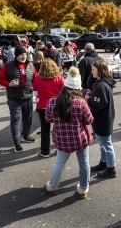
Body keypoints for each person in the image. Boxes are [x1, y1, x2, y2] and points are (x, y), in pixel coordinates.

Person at [43, 67, 93, 199]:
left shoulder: (52, 102)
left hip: (62, 139)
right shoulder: (80, 102)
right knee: (84, 163)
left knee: (59, 164)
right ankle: (83, 189)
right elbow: (89, 120)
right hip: (80, 139)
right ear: (78, 88)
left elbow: (48, 119)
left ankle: (52, 186)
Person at [0, 46, 38, 153]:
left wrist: (35, 87)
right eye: (21, 55)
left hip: (28, 97)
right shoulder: (7, 66)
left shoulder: (30, 65)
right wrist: (8, 83)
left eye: (25, 54)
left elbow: (36, 79)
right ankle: (16, 142)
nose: (24, 56)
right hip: (14, 98)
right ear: (16, 55)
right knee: (15, 119)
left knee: (28, 118)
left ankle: (25, 136)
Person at [86, 61, 117, 179]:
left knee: (106, 144)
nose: (91, 71)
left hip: (102, 119)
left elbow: (99, 104)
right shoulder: (104, 83)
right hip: (105, 117)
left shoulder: (101, 86)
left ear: (99, 71)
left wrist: (88, 100)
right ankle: (103, 163)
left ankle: (111, 168)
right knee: (103, 144)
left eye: (93, 69)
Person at [33, 59, 65, 158]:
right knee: (59, 128)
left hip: (43, 106)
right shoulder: (59, 78)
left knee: (45, 129)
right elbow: (64, 93)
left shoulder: (37, 79)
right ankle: (60, 148)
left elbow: (35, 94)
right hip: (57, 106)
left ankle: (45, 151)